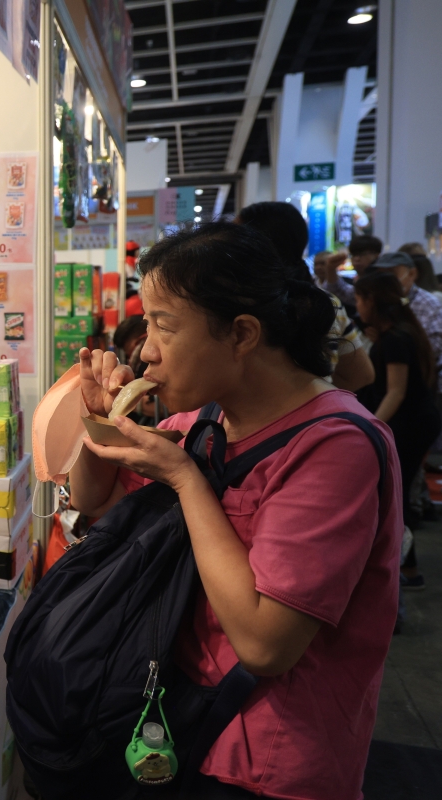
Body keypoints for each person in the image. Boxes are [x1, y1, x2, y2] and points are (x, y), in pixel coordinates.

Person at [69, 222, 400, 800]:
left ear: (242, 333)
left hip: (272, 762)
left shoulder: (336, 446)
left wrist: (184, 479)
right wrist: (99, 420)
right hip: (182, 722)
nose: (145, 350)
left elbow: (265, 645)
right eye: (147, 324)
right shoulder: (203, 422)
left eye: (165, 325)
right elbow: (92, 499)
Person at [354, 271, 441, 590]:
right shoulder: (396, 334)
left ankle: (408, 570)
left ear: (372, 300)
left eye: (359, 299)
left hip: (408, 424)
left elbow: (396, 392)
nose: (356, 305)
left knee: (396, 495)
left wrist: (371, 428)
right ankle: (407, 568)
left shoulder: (396, 339)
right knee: (397, 493)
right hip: (413, 421)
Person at [236, 201, 373, 392]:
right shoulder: (326, 301)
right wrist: (318, 396)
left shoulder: (238, 302)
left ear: (252, 244)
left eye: (234, 237)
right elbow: (362, 375)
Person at [368, 251, 442, 380]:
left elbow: (433, 349)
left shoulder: (428, 303)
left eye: (391, 275)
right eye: (381, 276)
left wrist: (388, 343)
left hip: (421, 376)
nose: (386, 282)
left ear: (412, 274)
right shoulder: (380, 300)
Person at [318, 234, 383, 305]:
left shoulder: (381, 281)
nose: (357, 259)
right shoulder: (360, 280)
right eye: (353, 255)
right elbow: (342, 292)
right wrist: (331, 269)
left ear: (376, 255)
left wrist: (331, 269)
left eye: (362, 254)